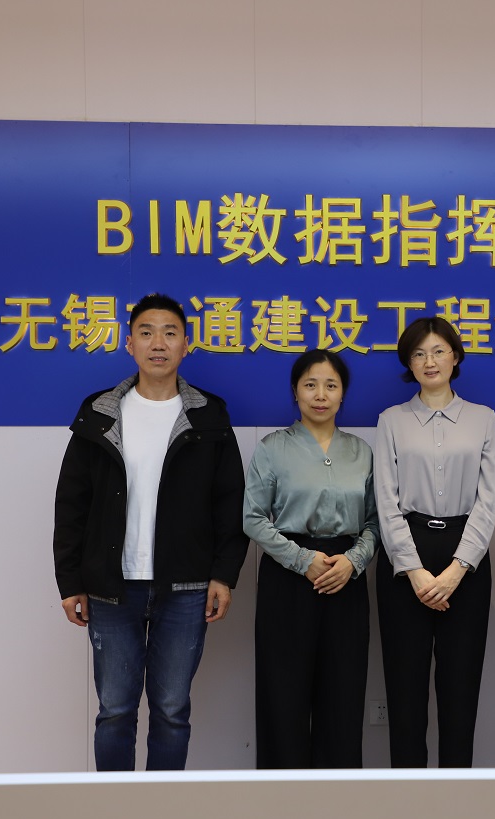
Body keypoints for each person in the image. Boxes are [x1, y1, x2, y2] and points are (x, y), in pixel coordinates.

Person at [52, 292, 247, 771]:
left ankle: (164, 808)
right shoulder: (100, 412)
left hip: (186, 587)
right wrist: (70, 581)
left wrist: (223, 575)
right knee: (115, 711)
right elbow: (71, 503)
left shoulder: (209, 414)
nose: (158, 343)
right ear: (129, 344)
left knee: (172, 711)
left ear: (186, 344)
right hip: (110, 586)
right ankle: (114, 808)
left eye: (170, 333)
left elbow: (230, 503)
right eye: (146, 333)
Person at [373, 316, 495, 768]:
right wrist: (414, 571)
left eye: (439, 351)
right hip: (404, 558)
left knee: (460, 688)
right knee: (404, 689)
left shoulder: (484, 419)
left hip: (466, 558)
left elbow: (488, 501)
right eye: (419, 353)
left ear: (456, 356)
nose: (430, 361)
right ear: (409, 362)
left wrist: (456, 570)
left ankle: (457, 795)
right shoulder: (391, 420)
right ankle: (407, 795)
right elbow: (385, 500)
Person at [243, 349, 378, 768]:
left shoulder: (361, 452)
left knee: (344, 693)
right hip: (288, 577)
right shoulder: (273, 448)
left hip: (346, 579)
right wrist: (303, 560)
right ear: (295, 392)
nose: (321, 395)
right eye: (311, 385)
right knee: (282, 693)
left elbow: (376, 521)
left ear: (343, 394)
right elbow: (252, 518)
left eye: (331, 385)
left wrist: (354, 561)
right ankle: (281, 797)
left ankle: (338, 798)